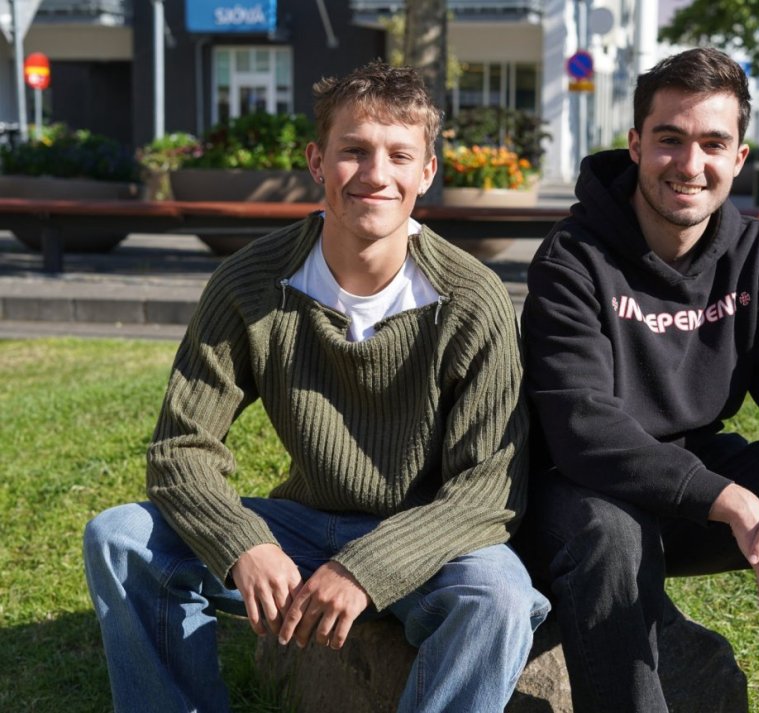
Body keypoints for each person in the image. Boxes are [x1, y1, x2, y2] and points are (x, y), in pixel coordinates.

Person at [84, 61, 549, 713]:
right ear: (315, 160)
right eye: (353, 151)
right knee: (120, 537)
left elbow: (487, 491)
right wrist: (243, 542)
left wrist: (368, 568)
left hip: (424, 538)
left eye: (399, 155)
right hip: (301, 525)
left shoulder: (472, 299)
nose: (375, 174)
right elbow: (180, 449)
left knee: (498, 595)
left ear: (426, 172)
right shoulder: (251, 283)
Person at [518, 47, 759, 712]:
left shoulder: (757, 256)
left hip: (693, 483)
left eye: (713, 143)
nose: (690, 165)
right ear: (636, 145)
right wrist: (730, 500)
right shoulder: (572, 259)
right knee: (610, 533)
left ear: (739, 158)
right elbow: (581, 427)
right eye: (670, 139)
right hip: (582, 492)